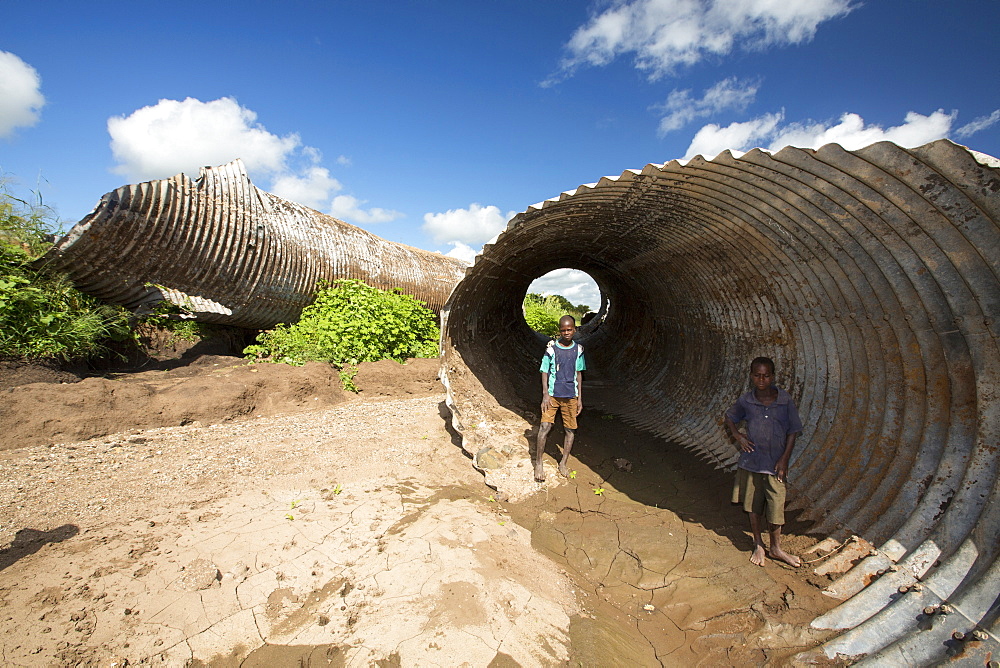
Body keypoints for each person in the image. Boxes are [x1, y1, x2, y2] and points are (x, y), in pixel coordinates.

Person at [724, 357, 802, 567]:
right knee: (753, 504)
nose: (761, 379)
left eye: (766, 375)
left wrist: (784, 460)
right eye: (757, 375)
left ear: (773, 376)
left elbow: (793, 432)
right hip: (751, 461)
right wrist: (738, 437)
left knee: (776, 504)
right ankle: (758, 543)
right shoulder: (746, 401)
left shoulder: (784, 401)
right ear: (751, 377)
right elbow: (730, 417)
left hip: (774, 463)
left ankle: (776, 548)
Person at [535, 315, 586, 482]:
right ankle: (539, 463)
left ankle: (563, 462)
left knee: (570, 430)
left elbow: (579, 374)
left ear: (575, 330)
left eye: (569, 329)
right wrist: (545, 395)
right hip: (553, 395)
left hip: (570, 395)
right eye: (563, 330)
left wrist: (579, 398)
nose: (566, 333)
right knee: (544, 427)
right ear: (559, 331)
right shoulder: (551, 350)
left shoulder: (578, 350)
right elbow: (544, 371)